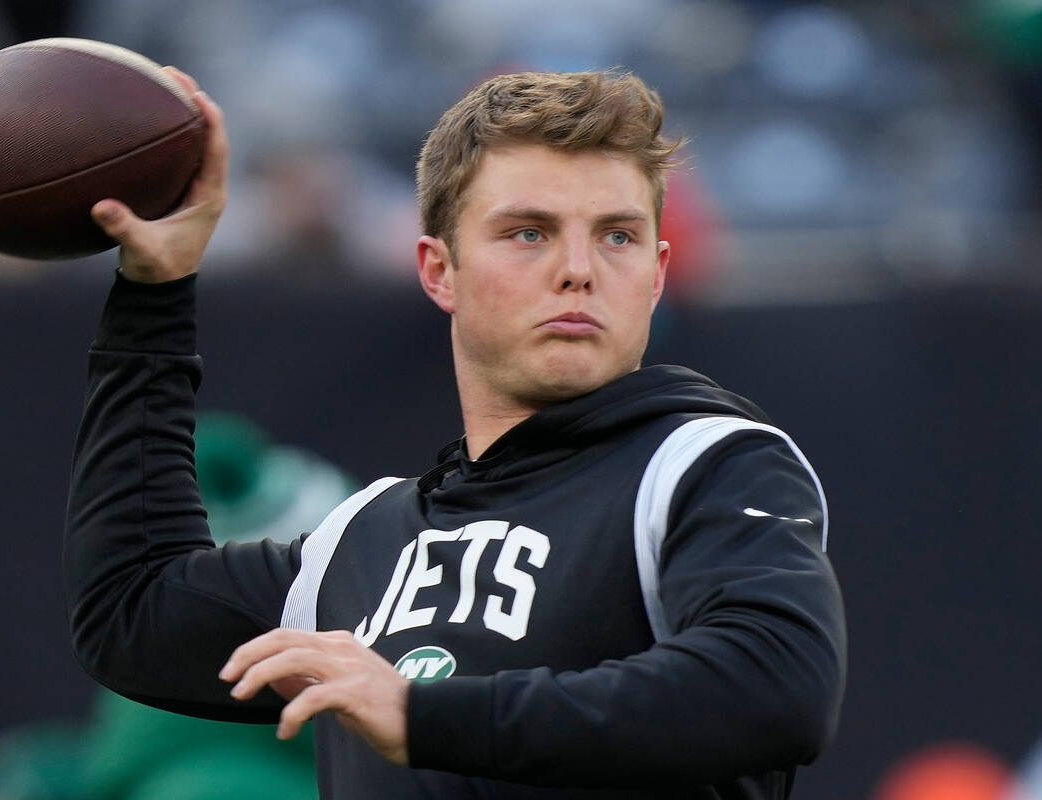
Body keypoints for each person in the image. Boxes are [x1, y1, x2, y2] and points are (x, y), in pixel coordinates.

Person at [67, 67, 847, 799]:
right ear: (439, 270)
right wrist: (153, 296)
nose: (579, 268)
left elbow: (773, 684)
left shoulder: (706, 464)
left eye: (617, 235)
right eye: (529, 232)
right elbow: (131, 617)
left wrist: (423, 716)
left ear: (658, 271)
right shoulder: (360, 540)